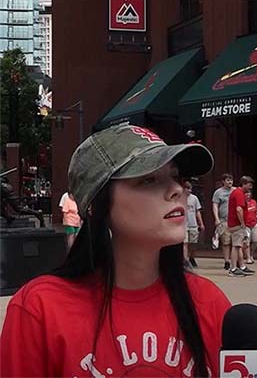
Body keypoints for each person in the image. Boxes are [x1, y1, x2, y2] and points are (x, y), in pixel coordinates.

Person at [0, 123, 231, 377]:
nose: (176, 190)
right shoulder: (39, 309)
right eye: (149, 179)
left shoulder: (208, 302)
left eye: (176, 177)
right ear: (96, 205)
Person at [226, 175, 256, 277]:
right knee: (236, 246)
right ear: (243, 184)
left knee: (239, 246)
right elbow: (239, 209)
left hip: (235, 223)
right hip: (237, 224)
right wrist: (242, 223)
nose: (250, 188)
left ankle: (241, 266)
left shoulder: (237, 193)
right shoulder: (239, 193)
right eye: (249, 185)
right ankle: (233, 268)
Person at [212, 173, 234, 270]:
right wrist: (216, 219)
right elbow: (215, 206)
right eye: (228, 180)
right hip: (224, 220)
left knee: (237, 242)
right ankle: (227, 261)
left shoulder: (236, 190)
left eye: (231, 180)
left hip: (235, 220)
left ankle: (236, 260)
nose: (230, 182)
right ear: (223, 181)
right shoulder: (218, 192)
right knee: (226, 242)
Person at [183, 180, 205, 269]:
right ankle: (185, 260)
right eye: (188, 188)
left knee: (193, 243)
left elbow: (197, 211)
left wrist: (201, 223)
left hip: (193, 223)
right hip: (183, 224)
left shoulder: (194, 198)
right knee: (185, 243)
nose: (190, 190)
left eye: (190, 188)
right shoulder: (179, 198)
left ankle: (192, 257)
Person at [243, 190, 257, 264]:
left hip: (254, 224)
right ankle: (248, 258)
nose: (247, 194)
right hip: (245, 225)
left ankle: (251, 253)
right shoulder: (242, 203)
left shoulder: (254, 202)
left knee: (256, 240)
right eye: (246, 193)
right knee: (246, 242)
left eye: (249, 193)